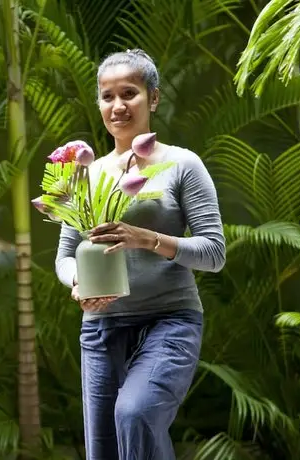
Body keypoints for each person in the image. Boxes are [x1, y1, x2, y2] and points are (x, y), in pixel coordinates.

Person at [54, 49, 226, 459]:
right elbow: (64, 257)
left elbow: (214, 252)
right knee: (106, 450)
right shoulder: (83, 175)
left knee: (134, 414)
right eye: (107, 96)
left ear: (153, 98)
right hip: (100, 329)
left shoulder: (182, 164)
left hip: (169, 322)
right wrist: (76, 283)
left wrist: (146, 238)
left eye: (129, 93)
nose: (117, 106)